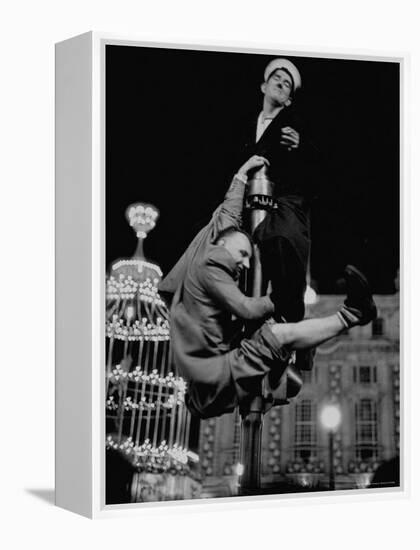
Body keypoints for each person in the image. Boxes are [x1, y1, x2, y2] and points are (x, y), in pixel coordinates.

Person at [160, 155, 377, 419]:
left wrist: (241, 175)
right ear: (223, 248)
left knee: (278, 330)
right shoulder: (209, 270)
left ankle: (295, 350)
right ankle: (353, 314)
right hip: (214, 382)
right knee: (278, 335)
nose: (246, 262)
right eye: (242, 254)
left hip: (219, 358)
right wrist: (278, 299)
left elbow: (228, 214)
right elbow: (247, 309)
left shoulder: (217, 245)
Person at [233, 58, 321, 327]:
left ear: (289, 101)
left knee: (281, 237)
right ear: (263, 86)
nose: (281, 86)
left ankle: (287, 313)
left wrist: (301, 145)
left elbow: (320, 165)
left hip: (281, 200)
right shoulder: (244, 124)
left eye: (287, 86)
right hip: (242, 199)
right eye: (277, 81)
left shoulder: (296, 125)